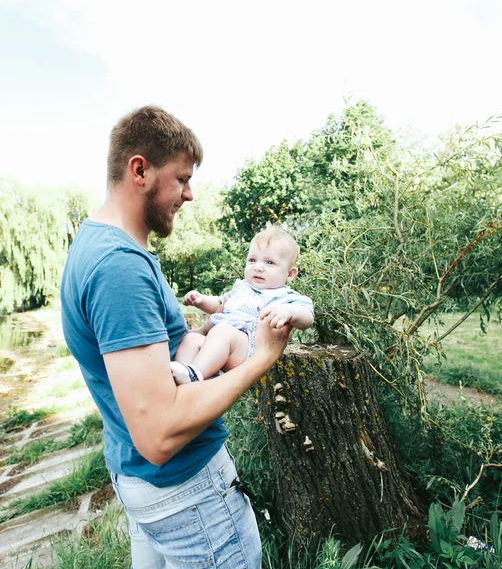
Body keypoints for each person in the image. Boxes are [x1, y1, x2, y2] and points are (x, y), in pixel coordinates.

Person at [60, 105, 290, 569]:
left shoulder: (98, 243)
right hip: (187, 494)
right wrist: (260, 359)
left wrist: (205, 334)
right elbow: (159, 433)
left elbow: (143, 363)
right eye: (182, 179)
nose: (190, 194)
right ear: (140, 169)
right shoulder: (119, 267)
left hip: (143, 484)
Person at [170, 227, 313, 384]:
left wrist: (290, 312)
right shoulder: (241, 288)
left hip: (247, 349)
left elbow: (307, 317)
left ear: (290, 274)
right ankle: (182, 377)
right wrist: (201, 301)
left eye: (270, 262)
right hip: (219, 344)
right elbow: (220, 304)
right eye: (252, 260)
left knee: (223, 331)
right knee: (191, 339)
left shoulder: (285, 296)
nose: (258, 267)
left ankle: (195, 374)